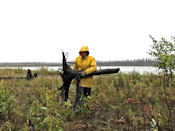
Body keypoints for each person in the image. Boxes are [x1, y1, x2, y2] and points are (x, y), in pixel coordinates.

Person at [73, 46, 97, 110]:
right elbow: (74, 67)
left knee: (87, 96)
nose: (83, 53)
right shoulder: (77, 59)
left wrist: (85, 72)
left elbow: (94, 67)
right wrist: (75, 73)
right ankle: (76, 109)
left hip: (88, 81)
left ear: (87, 52)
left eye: (84, 52)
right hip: (79, 81)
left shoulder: (91, 59)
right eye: (82, 52)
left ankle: (86, 109)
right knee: (78, 95)